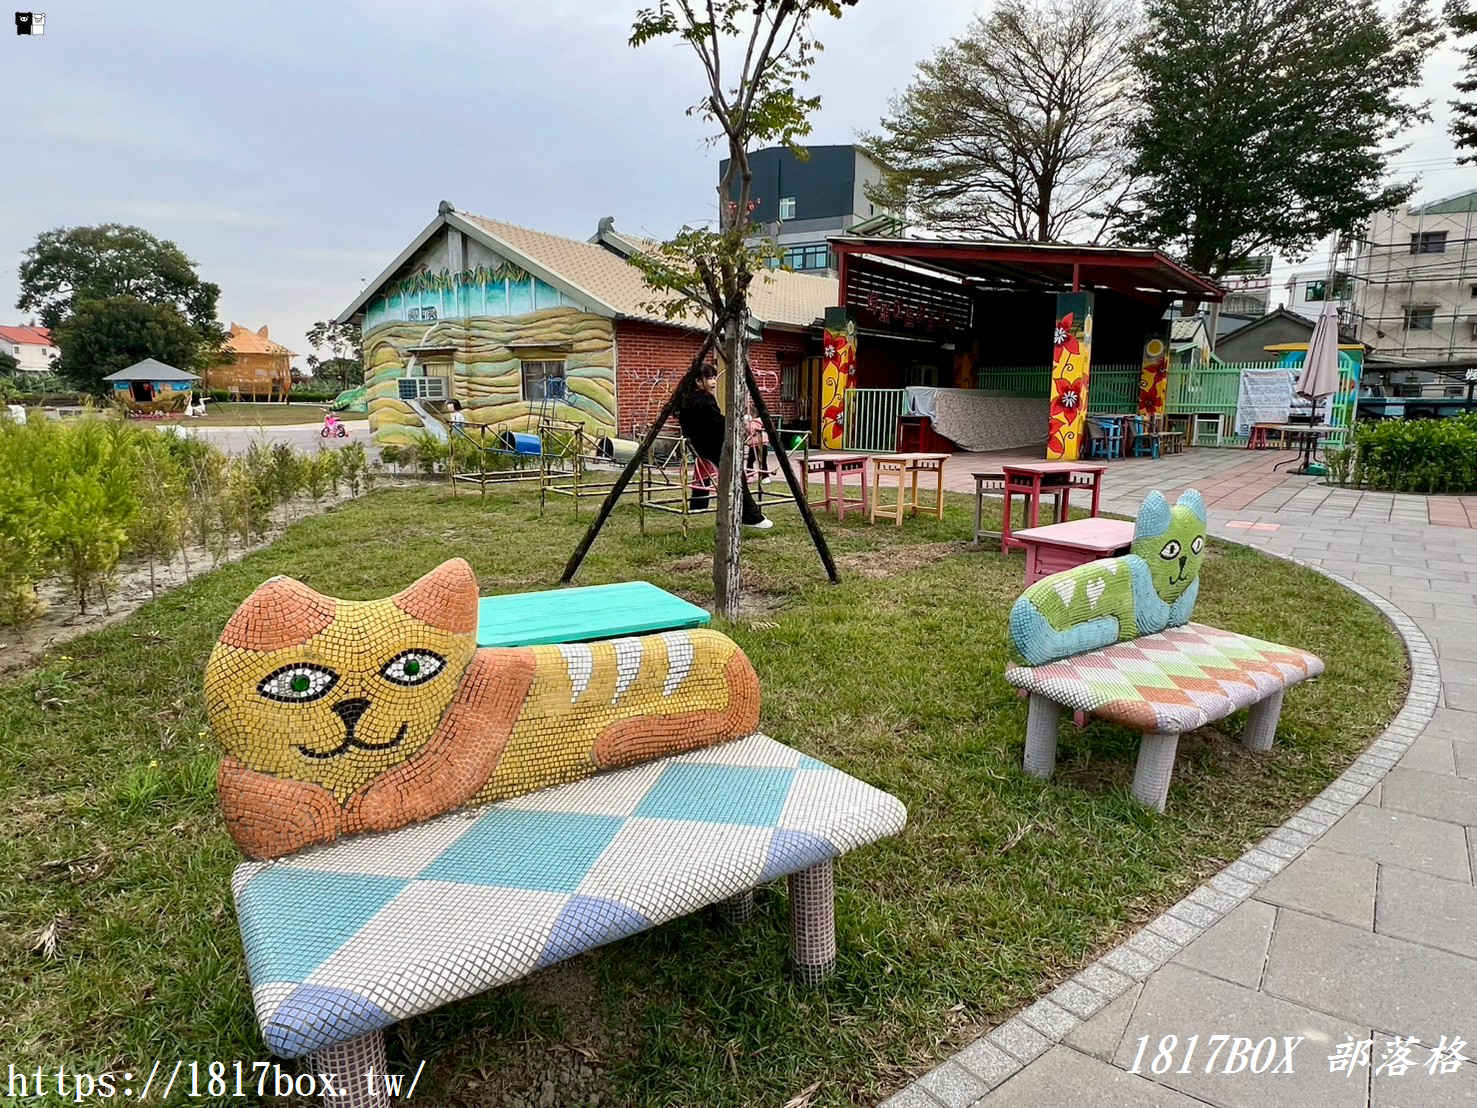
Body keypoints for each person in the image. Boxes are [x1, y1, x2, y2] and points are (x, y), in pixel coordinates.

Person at [675, 364, 772, 529]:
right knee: (737, 475)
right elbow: (717, 422)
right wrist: (739, 423)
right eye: (709, 378)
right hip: (713, 443)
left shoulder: (685, 397)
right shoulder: (704, 399)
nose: (713, 381)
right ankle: (750, 516)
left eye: (714, 377)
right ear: (699, 381)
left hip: (698, 443)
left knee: (705, 472)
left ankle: (698, 504)